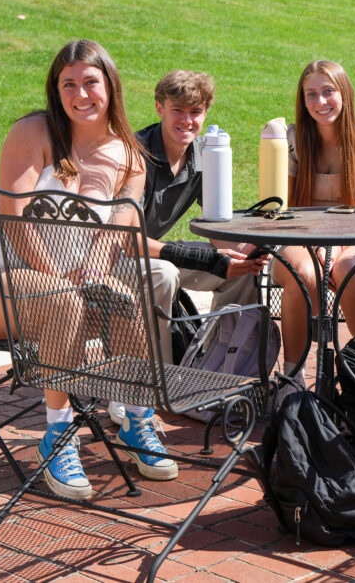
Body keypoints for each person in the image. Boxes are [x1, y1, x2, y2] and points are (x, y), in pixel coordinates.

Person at [0, 39, 147, 500]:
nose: (80, 94)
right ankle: (57, 435)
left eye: (90, 82)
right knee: (60, 300)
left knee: (122, 300)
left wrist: (97, 268)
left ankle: (138, 418)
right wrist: (64, 280)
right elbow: (13, 220)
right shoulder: (35, 132)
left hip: (71, 285)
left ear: (111, 86)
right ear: (55, 91)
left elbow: (122, 223)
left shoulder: (131, 155)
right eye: (68, 84)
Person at [103, 69, 267, 481]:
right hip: (105, 259)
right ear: (159, 108)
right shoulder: (133, 153)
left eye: (196, 112)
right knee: (162, 274)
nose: (187, 121)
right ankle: (149, 391)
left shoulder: (203, 154)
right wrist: (208, 258)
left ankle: (220, 374)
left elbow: (212, 223)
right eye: (177, 111)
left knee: (241, 274)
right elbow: (126, 240)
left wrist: (236, 251)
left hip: (148, 254)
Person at [273, 60, 355, 394]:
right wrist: (318, 250)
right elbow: (288, 208)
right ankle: (292, 377)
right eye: (311, 94)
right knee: (305, 272)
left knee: (349, 270)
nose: (320, 101)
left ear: (345, 94)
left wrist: (331, 251)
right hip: (302, 234)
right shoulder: (293, 139)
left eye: (328, 92)